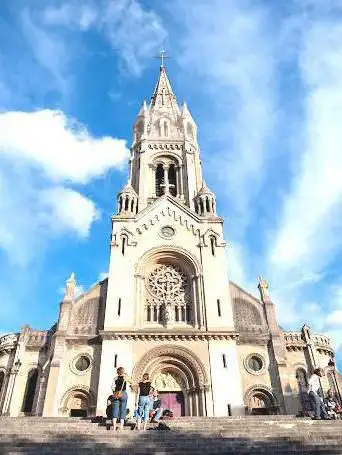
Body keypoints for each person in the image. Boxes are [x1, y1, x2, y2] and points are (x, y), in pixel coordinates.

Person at [111, 366, 132, 431]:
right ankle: (121, 426)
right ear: (123, 371)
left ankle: (114, 427)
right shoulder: (125, 378)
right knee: (123, 409)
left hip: (116, 393)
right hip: (123, 393)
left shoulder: (115, 378)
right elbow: (131, 382)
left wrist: (114, 392)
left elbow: (112, 386)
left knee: (115, 410)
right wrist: (126, 375)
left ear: (117, 372)